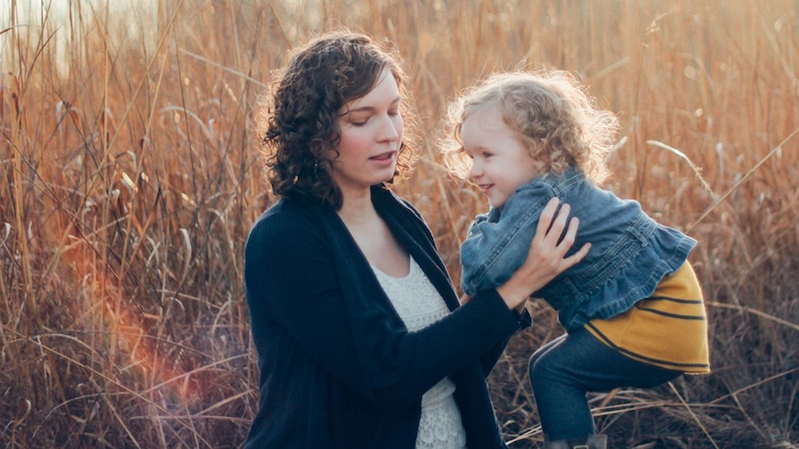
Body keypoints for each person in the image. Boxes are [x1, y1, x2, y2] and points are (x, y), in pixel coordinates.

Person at [242, 31, 591, 449]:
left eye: (393, 111)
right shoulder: (284, 239)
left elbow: (455, 366)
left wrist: (518, 282)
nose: (389, 133)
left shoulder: (400, 217)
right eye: (361, 118)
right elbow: (386, 377)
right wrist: (517, 287)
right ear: (313, 133)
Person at [442, 70, 711, 449]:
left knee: (555, 372)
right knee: (543, 366)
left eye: (487, 155)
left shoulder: (538, 197)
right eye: (470, 156)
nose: (474, 170)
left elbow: (482, 270)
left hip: (657, 316)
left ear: (539, 149)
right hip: (671, 309)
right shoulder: (556, 187)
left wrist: (483, 227)